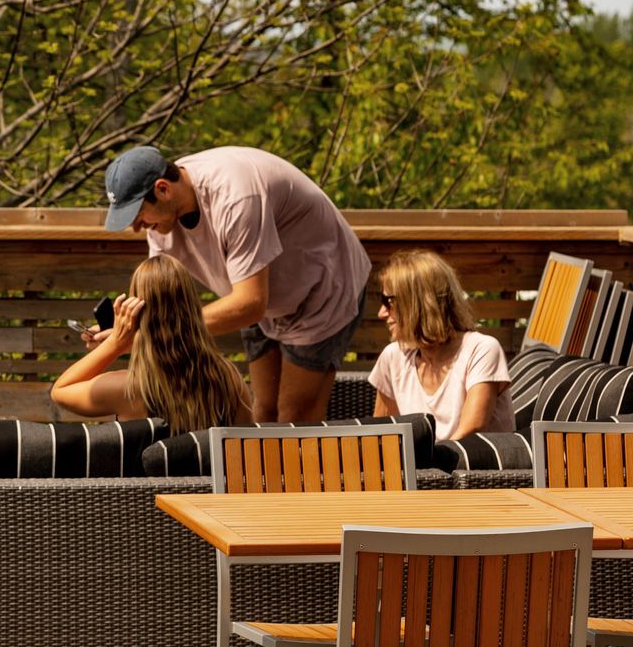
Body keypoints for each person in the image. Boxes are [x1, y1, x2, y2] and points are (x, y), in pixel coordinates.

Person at [101, 144, 370, 423]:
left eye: (137, 215)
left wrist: (160, 331)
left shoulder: (236, 196)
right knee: (263, 409)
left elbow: (250, 304)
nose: (135, 227)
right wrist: (125, 328)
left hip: (320, 290)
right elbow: (162, 302)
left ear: (163, 189)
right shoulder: (161, 218)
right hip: (256, 289)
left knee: (294, 417)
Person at [51, 255, 253, 433]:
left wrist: (115, 344)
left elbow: (60, 390)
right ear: (192, 308)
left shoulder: (128, 389)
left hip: (151, 476)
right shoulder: (227, 378)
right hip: (208, 476)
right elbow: (247, 444)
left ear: (138, 316)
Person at [369, 249, 513, 440]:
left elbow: (472, 431)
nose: (381, 313)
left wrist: (422, 466)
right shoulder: (393, 357)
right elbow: (382, 435)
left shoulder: (481, 349)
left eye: (388, 302)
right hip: (419, 467)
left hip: (474, 468)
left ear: (418, 303)